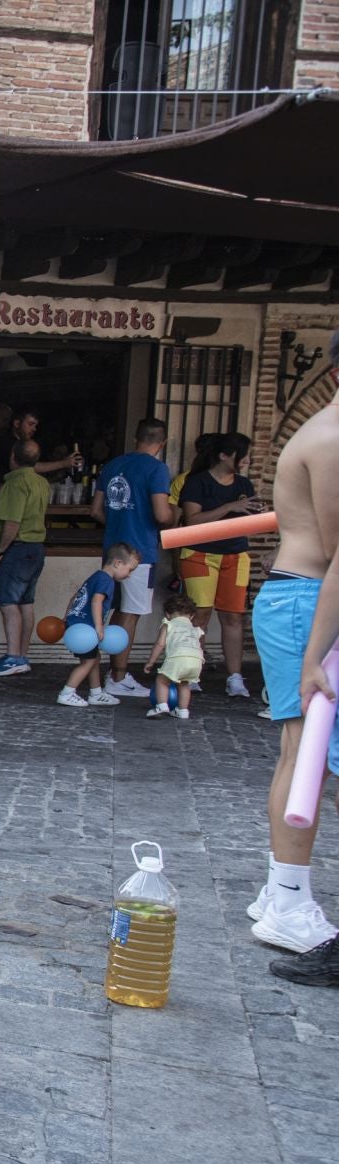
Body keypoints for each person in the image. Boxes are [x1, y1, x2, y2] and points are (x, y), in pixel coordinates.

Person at [249, 331, 339, 971]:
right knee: (312, 756)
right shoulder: (333, 437)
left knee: (303, 753)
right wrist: (316, 655)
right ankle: (287, 902)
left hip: (302, 600)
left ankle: (283, 892)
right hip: (311, 603)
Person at [92, 418, 173, 696]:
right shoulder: (157, 469)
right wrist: (176, 515)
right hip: (140, 552)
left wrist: (119, 526)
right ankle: (118, 677)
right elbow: (162, 514)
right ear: (162, 443)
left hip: (112, 549)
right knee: (130, 614)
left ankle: (110, 672)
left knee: (113, 610)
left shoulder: (113, 465)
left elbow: (96, 511)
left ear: (136, 438)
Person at [178, 432, 259, 698]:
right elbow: (192, 521)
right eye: (243, 455)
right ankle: (192, 673)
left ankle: (235, 677)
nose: (247, 460)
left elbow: (248, 521)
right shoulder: (197, 482)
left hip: (236, 556)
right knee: (200, 615)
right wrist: (231, 507)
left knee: (234, 616)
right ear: (225, 456)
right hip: (199, 554)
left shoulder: (244, 483)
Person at [0, 439, 51, 678]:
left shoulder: (15, 484)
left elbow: (12, 522)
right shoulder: (41, 482)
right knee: (26, 603)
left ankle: (13, 657)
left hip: (18, 548)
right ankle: (21, 655)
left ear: (13, 456)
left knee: (8, 603)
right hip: (36, 548)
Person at [55, 544, 140, 709]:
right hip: (85, 629)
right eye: (130, 570)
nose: (129, 575)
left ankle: (96, 693)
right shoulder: (106, 581)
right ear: (117, 563)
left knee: (94, 659)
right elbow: (97, 600)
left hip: (78, 626)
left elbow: (75, 596)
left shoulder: (96, 576)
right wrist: (99, 626)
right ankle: (67, 693)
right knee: (87, 662)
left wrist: (67, 616)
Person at [143, 597, 204, 721]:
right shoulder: (194, 629)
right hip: (196, 660)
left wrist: (151, 662)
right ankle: (183, 711)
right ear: (191, 616)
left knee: (161, 680)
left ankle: (161, 706)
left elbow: (160, 644)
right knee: (184, 683)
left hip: (178, 658)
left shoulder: (168, 625)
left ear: (168, 614)